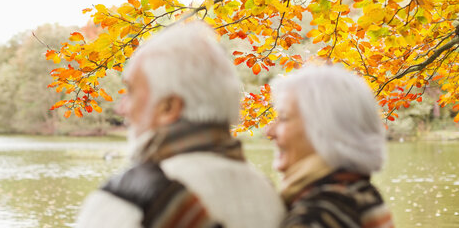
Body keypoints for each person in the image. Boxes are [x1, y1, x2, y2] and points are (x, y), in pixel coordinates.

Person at [76, 21, 284, 228]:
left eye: (131, 91)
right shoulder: (269, 195)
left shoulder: (127, 200)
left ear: (169, 108)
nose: (122, 109)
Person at [266, 65, 394, 228]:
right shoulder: (360, 194)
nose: (269, 131)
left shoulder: (316, 216)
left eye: (284, 118)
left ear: (324, 129)